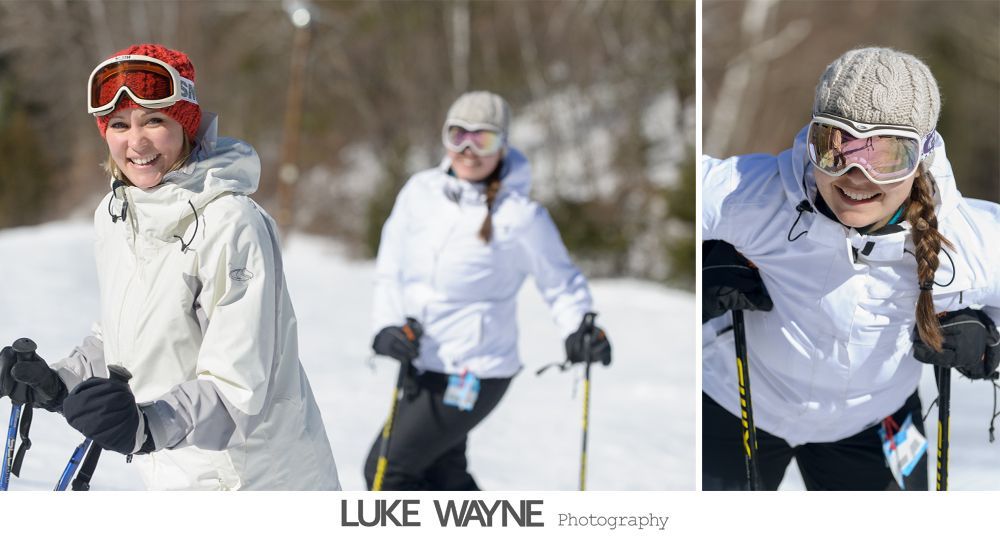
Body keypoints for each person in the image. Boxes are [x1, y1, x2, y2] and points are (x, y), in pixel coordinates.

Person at [0, 44, 340, 490]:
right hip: (172, 474)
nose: (135, 142)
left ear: (186, 125)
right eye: (119, 125)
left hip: (254, 481)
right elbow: (126, 337)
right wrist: (57, 382)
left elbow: (238, 387)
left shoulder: (231, 222)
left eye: (154, 121)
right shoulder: (118, 213)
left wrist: (145, 427)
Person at [701, 47, 1000, 491]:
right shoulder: (752, 197)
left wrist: (989, 339)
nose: (857, 176)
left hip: (874, 423)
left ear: (923, 154)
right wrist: (703, 263)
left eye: (888, 155)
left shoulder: (971, 237)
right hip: (739, 403)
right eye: (835, 146)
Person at [364, 91, 612, 490]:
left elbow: (561, 282)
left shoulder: (519, 216)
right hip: (422, 360)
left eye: (484, 139)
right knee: (442, 474)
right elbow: (391, 266)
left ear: (504, 145)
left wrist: (579, 327)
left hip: (473, 371)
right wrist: (388, 327)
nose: (468, 150)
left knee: (387, 471)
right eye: (457, 135)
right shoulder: (419, 192)